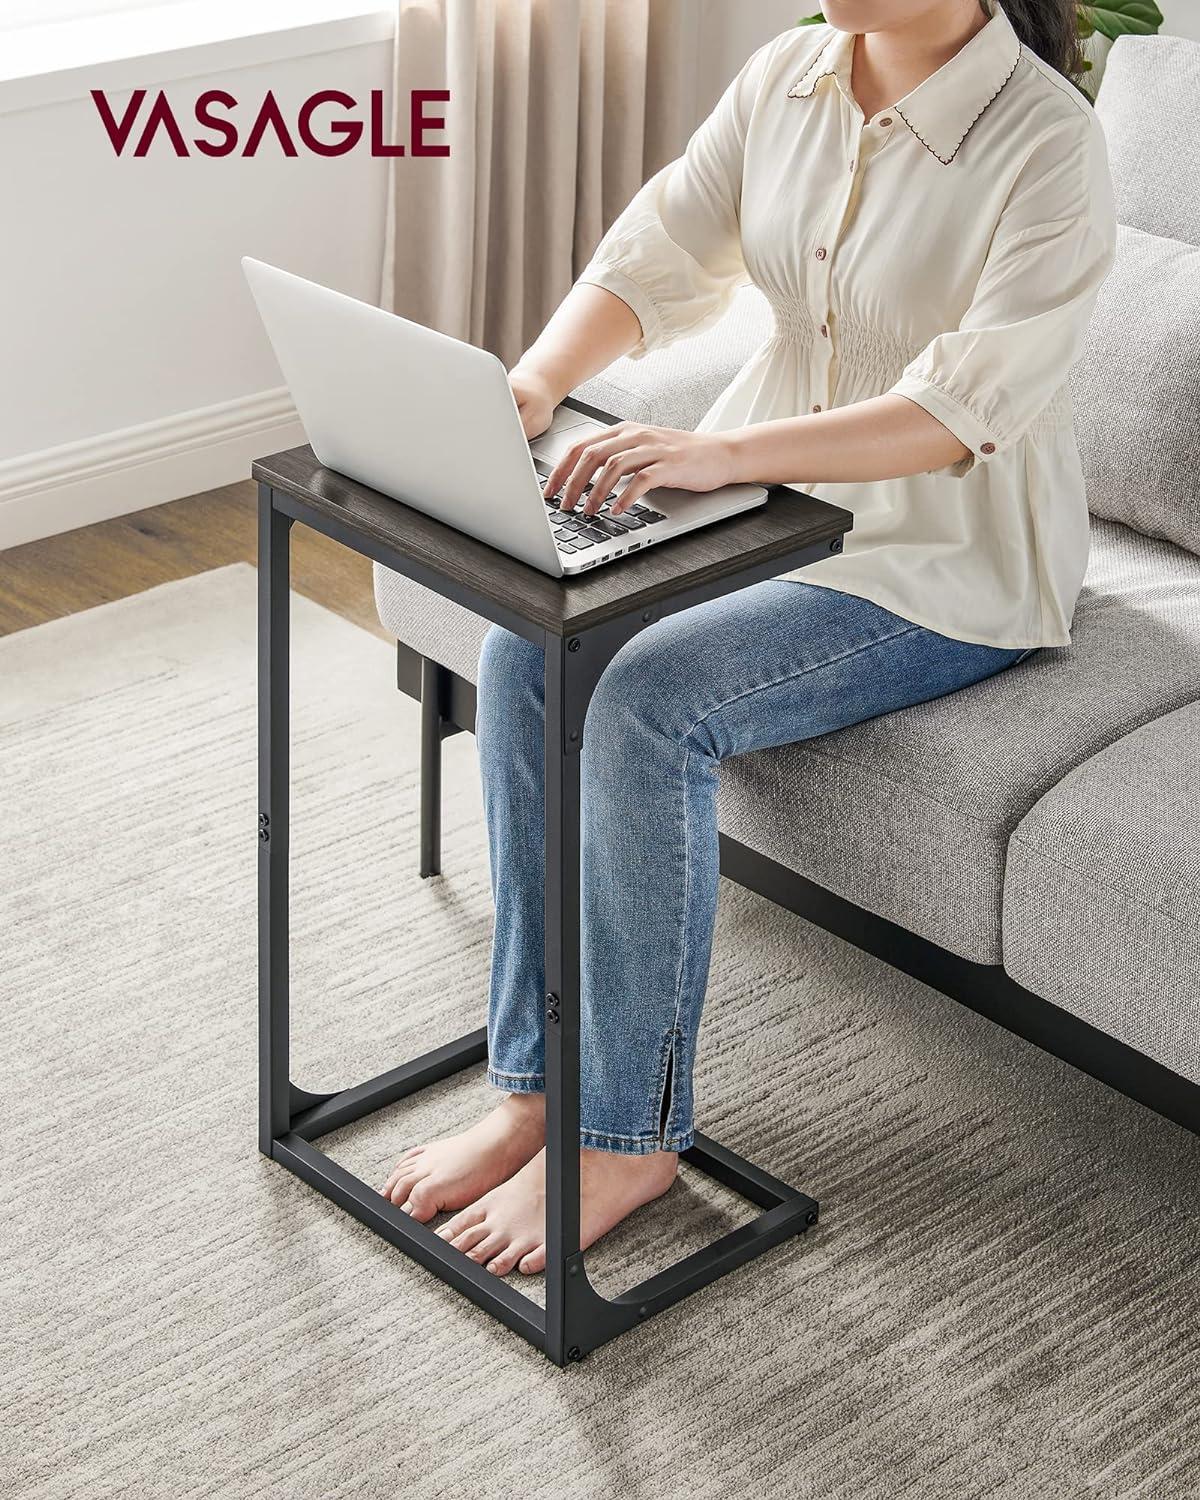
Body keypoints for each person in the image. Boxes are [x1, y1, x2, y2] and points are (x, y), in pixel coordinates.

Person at [380, 0, 1117, 1277]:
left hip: (943, 558)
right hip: (761, 513)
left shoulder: (1048, 141)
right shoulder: (789, 73)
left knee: (646, 697)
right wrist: (537, 381)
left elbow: (956, 409)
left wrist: (716, 451)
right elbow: (658, 248)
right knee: (523, 647)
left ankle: (628, 1137)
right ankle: (536, 1092)